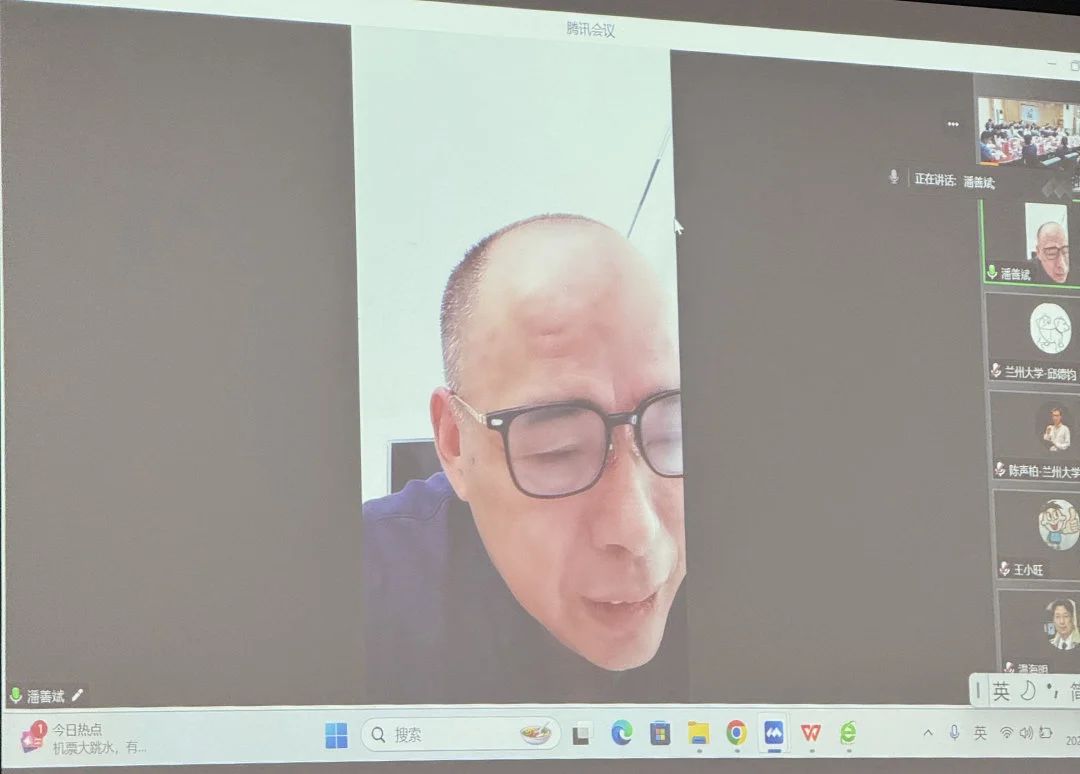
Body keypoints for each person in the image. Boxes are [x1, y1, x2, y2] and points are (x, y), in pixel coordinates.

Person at [362, 214, 688, 703]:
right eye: (559, 451)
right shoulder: (360, 588)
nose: (637, 531)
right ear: (455, 443)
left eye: (669, 434)